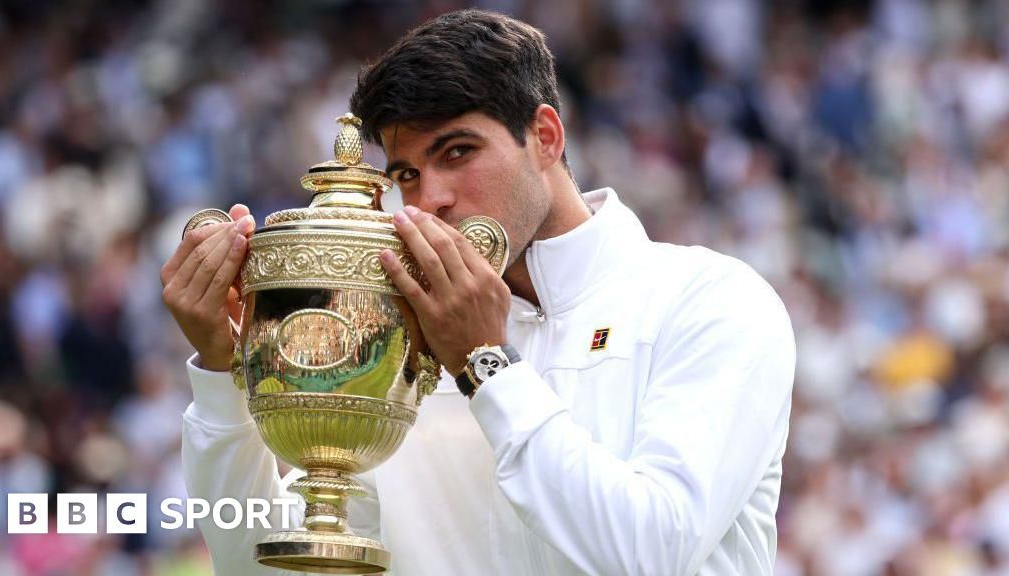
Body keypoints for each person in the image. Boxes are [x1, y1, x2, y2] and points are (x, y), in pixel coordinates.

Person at [161, 9, 796, 576]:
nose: (431, 197)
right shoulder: (394, 338)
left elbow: (651, 553)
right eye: (406, 173)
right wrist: (221, 374)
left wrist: (486, 366)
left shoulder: (711, 299)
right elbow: (275, 569)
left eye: (458, 152)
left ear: (545, 136)